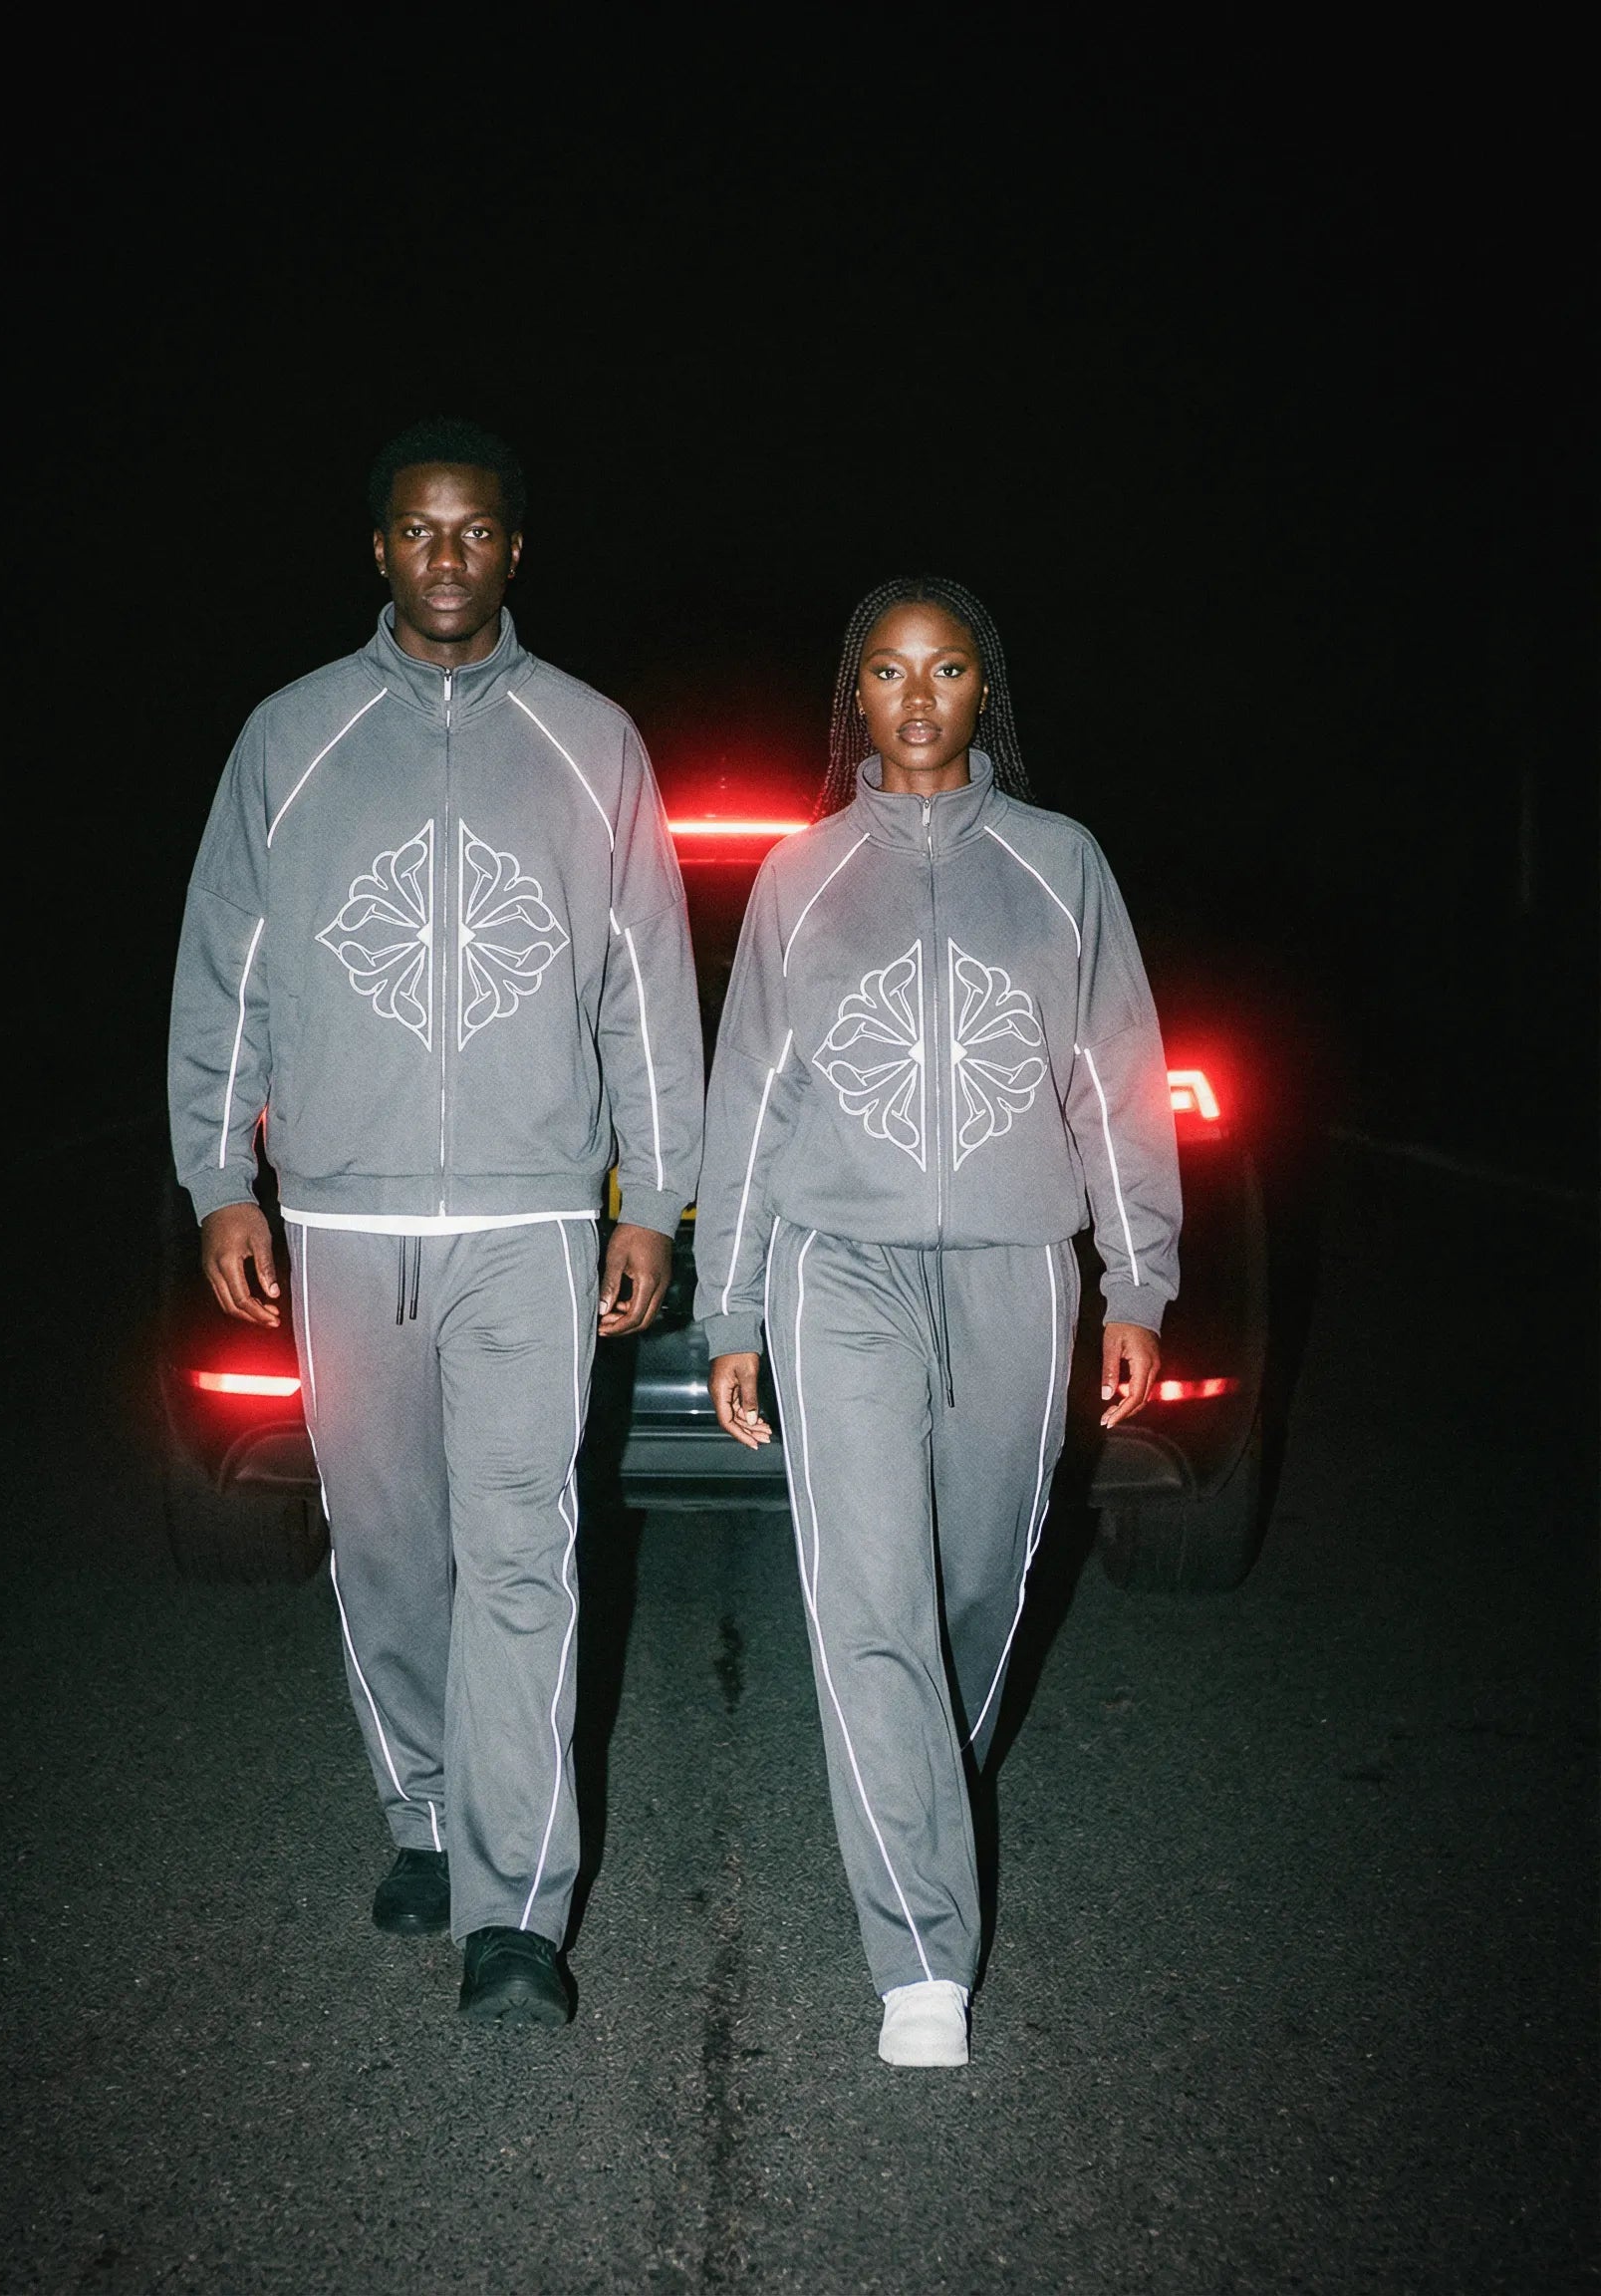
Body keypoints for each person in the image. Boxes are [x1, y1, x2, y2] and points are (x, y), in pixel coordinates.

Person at [167, 417, 703, 2027]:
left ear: (516, 551)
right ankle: (418, 1805)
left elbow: (647, 996)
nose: (449, 556)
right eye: (420, 531)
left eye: (478, 532)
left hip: (535, 1221)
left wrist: (655, 1203)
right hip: (341, 1219)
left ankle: (516, 1908)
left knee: (525, 1548)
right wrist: (218, 1183)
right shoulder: (292, 737)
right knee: (390, 1545)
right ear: (379, 548)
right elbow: (227, 975)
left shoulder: (594, 741)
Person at [692, 577, 1181, 2067]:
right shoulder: (801, 875)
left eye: (949, 668)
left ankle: (919, 1787)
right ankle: (919, 1957)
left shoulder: (1061, 865)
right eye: (890, 673)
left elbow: (1119, 1080)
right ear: (855, 698)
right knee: (870, 1601)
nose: (918, 696)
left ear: (986, 694)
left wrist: (1138, 1280)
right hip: (837, 1267)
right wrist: (731, 1303)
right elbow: (753, 1100)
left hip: (1021, 1268)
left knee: (975, 1586)